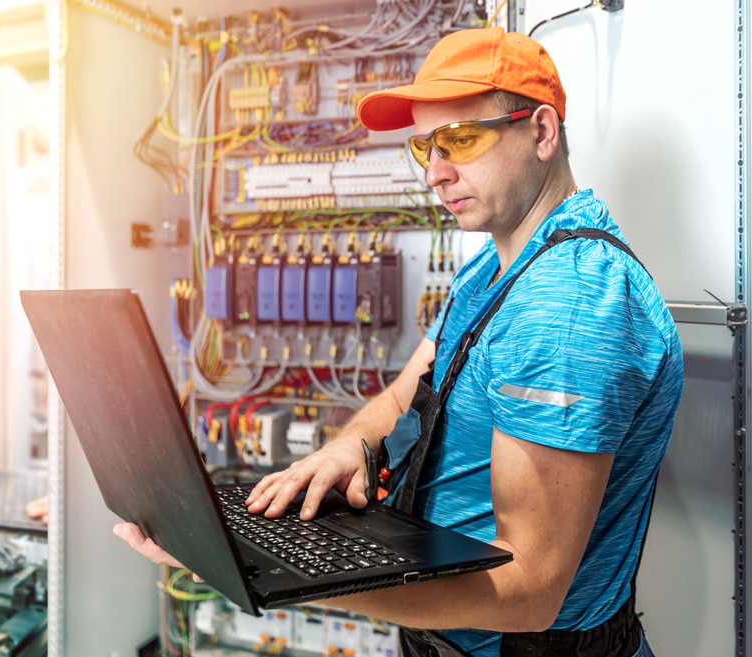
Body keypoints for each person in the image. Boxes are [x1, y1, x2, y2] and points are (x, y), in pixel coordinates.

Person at [115, 26, 682, 657]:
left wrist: (271, 576)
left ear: (542, 133)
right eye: (425, 148)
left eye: (461, 141)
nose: (436, 174)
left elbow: (529, 589)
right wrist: (349, 446)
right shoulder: (493, 269)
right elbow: (407, 391)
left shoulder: (568, 302)